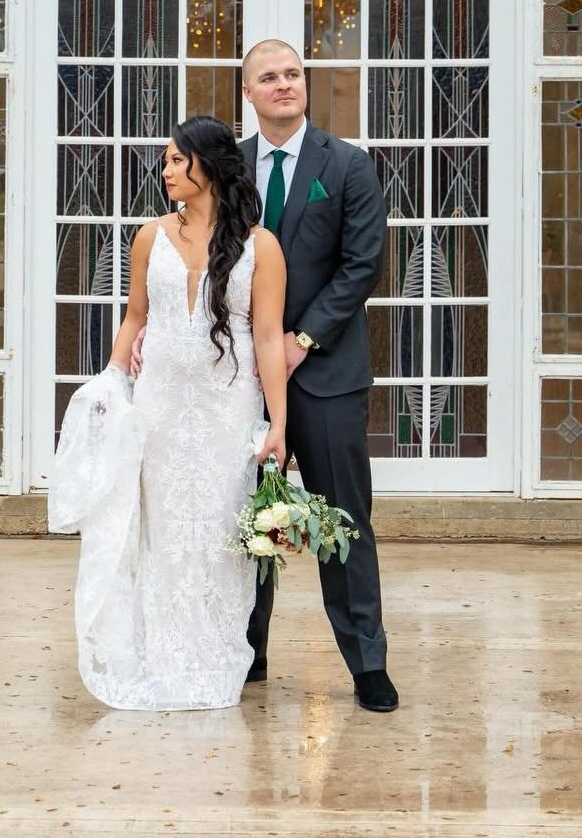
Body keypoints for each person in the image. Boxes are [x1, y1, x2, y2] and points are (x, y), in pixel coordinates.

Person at [134, 39, 398, 714]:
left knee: (342, 522)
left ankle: (367, 663)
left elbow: (362, 264)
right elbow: (189, 250)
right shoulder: (226, 166)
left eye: (293, 74)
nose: (285, 85)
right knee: (244, 520)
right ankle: (244, 650)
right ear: (248, 93)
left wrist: (302, 339)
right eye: (269, 78)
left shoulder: (349, 165)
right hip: (236, 385)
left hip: (327, 374)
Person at [49, 115, 289, 711]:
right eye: (165, 163)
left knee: (215, 531)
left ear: (209, 165)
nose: (166, 173)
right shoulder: (148, 236)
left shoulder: (262, 246)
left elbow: (266, 336)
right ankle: (158, 657)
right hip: (157, 406)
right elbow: (135, 316)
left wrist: (278, 424)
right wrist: (111, 381)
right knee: (158, 531)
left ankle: (212, 658)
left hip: (225, 410)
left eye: (177, 161)